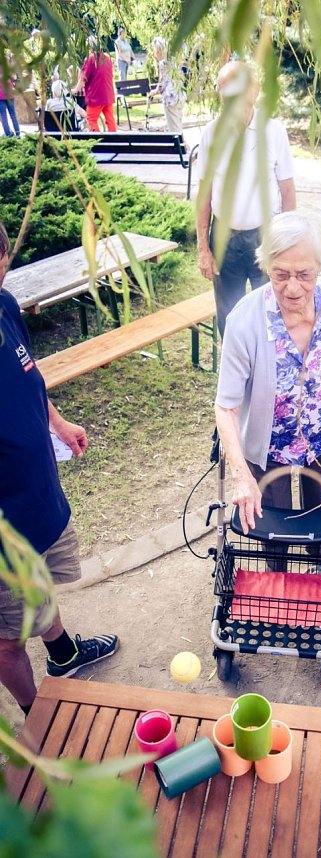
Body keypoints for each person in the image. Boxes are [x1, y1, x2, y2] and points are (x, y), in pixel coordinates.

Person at [0, 223, 118, 715]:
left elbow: (30, 376)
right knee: (5, 634)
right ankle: (38, 716)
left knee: (42, 580)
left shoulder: (4, 305)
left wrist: (58, 422)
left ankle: (63, 655)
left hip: (38, 496)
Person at [215, 211, 321, 535]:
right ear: (265, 267)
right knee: (271, 531)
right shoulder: (243, 321)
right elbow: (226, 406)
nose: (292, 288)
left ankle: (316, 581)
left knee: (320, 523)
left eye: (304, 274)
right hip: (267, 447)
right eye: (280, 274)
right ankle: (277, 582)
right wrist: (241, 475)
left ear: (319, 267)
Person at [196, 61, 296, 338]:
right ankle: (234, 376)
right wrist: (203, 249)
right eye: (224, 87)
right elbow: (204, 195)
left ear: (255, 90)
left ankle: (272, 370)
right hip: (224, 239)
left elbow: (287, 190)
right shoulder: (211, 135)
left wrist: (287, 242)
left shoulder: (273, 132)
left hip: (266, 236)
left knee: (274, 311)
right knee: (229, 317)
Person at [74, 38, 117, 132]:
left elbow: (83, 79)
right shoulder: (107, 58)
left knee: (90, 120)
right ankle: (115, 140)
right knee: (110, 120)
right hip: (108, 95)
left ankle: (99, 141)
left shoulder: (90, 58)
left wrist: (74, 90)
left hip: (96, 96)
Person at [148, 37, 184, 136]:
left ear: (158, 50)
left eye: (154, 50)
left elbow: (162, 84)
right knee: (178, 124)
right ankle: (183, 147)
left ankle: (180, 148)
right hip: (179, 95)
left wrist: (154, 92)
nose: (154, 53)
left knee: (174, 128)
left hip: (170, 98)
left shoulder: (162, 63)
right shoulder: (174, 60)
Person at [0, 62, 20, 138]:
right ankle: (18, 133)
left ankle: (8, 134)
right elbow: (14, 79)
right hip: (10, 95)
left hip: (0, 96)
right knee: (13, 115)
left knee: (3, 115)